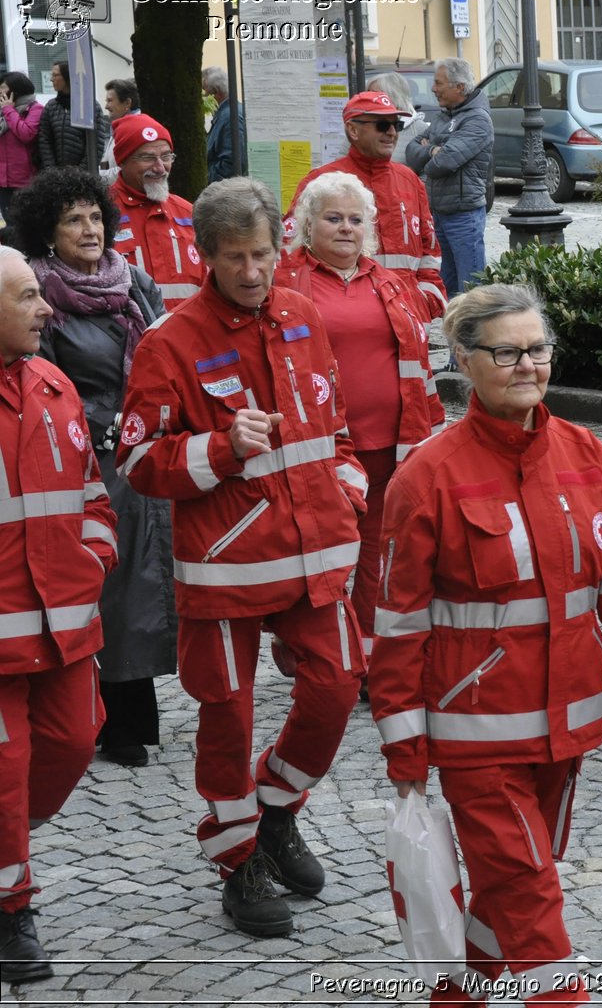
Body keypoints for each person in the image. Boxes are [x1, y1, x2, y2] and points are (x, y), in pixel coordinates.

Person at [369, 283, 602, 1004]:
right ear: (465, 359)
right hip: (475, 740)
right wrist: (404, 747)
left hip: (567, 728)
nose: (528, 364)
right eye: (507, 351)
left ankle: (456, 997)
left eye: (537, 348)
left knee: (511, 886)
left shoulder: (585, 453)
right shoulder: (426, 477)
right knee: (531, 894)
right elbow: (398, 627)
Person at [116, 178, 366, 938]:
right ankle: (236, 858)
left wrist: (347, 482)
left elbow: (335, 421)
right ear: (207, 256)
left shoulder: (300, 313)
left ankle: (277, 809)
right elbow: (136, 463)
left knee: (337, 689)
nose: (253, 272)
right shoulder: (171, 341)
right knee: (225, 715)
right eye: (235, 258)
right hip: (225, 572)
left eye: (261, 254)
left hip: (315, 552)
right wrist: (220, 449)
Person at [10, 167, 177, 769]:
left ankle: (134, 712)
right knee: (102, 583)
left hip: (144, 451)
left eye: (95, 216)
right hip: (86, 456)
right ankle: (107, 719)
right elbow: (44, 383)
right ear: (48, 232)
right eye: (73, 219)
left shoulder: (134, 283)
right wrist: (104, 424)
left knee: (145, 584)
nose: (89, 228)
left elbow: (165, 353)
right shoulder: (38, 292)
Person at [0, 245, 117, 983]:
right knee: (5, 768)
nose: (47, 308)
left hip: (64, 625)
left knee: (75, 742)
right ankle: (12, 910)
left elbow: (92, 497)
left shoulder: (51, 384)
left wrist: (93, 561)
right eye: (24, 298)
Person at [277, 171, 444, 666]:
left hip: (393, 440)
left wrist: (430, 433)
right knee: (322, 545)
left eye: (355, 219)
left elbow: (421, 365)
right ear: (308, 224)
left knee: (377, 552)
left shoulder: (391, 283)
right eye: (333, 218)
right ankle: (304, 641)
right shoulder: (284, 281)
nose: (345, 228)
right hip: (319, 443)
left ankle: (366, 653)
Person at [285, 92, 447, 318]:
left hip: (408, 316)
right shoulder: (321, 182)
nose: (391, 132)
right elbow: (291, 251)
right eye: (382, 125)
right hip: (345, 318)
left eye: (396, 125)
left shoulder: (410, 180)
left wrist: (426, 300)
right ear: (353, 130)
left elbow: (429, 251)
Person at [406, 57, 492, 296]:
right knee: (446, 288)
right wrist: (433, 149)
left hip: (464, 215)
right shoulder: (446, 116)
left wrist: (432, 151)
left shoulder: (477, 120)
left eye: (438, 83)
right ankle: (452, 332)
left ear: (459, 87)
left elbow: (440, 165)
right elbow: (412, 154)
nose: (433, 89)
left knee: (471, 291)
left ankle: (472, 334)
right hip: (440, 213)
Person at [107, 113, 205, 311]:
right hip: (130, 336)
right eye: (148, 158)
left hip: (189, 334)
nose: (161, 168)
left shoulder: (188, 213)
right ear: (123, 161)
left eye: (166, 156)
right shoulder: (101, 214)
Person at [37, 62, 110, 174]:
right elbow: (44, 140)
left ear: (68, 77)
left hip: (82, 176)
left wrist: (79, 173)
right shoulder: (51, 107)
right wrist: (51, 170)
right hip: (54, 176)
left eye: (55, 75)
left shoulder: (89, 105)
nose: (51, 79)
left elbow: (97, 144)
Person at [0, 73, 43, 219]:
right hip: (3, 181)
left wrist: (8, 110)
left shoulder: (34, 109)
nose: (0, 91)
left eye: (3, 88)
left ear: (15, 90)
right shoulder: (2, 111)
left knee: (25, 226)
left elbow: (27, 134)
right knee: (10, 226)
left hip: (24, 180)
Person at [366, 72, 428, 163]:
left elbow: (425, 170)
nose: (368, 99)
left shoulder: (419, 129)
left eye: (375, 95)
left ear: (394, 96)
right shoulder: (361, 123)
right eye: (368, 94)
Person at [202, 66, 240, 184]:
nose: (203, 97)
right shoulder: (226, 114)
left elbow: (231, 165)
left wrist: (203, 177)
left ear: (216, 92)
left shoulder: (230, 117)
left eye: (204, 92)